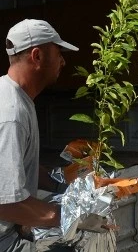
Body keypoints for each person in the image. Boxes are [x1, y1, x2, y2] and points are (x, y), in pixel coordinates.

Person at [0, 19, 79, 251]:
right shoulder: (10, 114)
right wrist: (69, 215)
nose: (63, 61)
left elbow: (19, 167)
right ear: (37, 56)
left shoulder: (17, 98)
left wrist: (60, 186)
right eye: (58, 52)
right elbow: (6, 204)